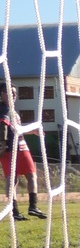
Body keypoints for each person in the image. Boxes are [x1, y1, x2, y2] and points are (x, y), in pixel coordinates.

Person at [0, 85, 45, 221]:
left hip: (18, 146)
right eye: (10, 93)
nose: (14, 95)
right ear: (2, 94)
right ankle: (23, 208)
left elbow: (15, 128)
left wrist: (32, 131)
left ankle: (24, 209)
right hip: (13, 148)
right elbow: (3, 125)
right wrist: (3, 144)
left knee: (22, 177)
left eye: (15, 93)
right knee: (19, 178)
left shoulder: (11, 110)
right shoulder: (4, 109)